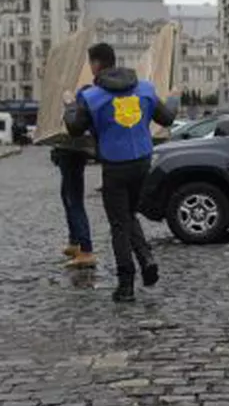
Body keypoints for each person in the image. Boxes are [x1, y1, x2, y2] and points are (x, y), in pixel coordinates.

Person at [64, 42, 178, 303]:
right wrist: (174, 97)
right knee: (128, 215)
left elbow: (74, 128)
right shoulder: (145, 89)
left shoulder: (91, 97)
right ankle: (147, 260)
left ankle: (126, 285)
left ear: (95, 65)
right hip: (143, 162)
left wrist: (69, 104)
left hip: (115, 166)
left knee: (118, 224)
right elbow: (168, 118)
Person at [52, 132, 95, 269]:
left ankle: (86, 250)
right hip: (67, 148)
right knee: (67, 196)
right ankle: (75, 241)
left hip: (72, 148)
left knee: (74, 201)